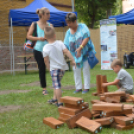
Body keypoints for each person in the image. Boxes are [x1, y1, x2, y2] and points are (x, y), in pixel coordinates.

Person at [43, 26, 76, 107]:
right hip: (62, 69)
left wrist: (48, 68)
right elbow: (66, 51)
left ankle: (60, 103)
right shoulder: (60, 43)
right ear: (54, 35)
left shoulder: (45, 48)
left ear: (45, 37)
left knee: (57, 85)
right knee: (56, 83)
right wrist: (73, 60)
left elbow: (46, 60)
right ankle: (55, 98)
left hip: (54, 69)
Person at [64, 13, 96, 94]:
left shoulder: (83, 27)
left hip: (85, 53)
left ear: (75, 21)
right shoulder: (68, 32)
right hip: (75, 55)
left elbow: (86, 37)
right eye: (67, 22)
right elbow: (66, 44)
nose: (68, 25)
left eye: (69, 23)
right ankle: (78, 88)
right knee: (76, 70)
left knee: (85, 69)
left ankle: (86, 87)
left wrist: (80, 47)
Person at [27, 7, 52, 95]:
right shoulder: (34, 24)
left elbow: (52, 37)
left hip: (49, 50)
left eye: (49, 13)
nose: (49, 15)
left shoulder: (50, 25)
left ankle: (56, 86)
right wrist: (39, 38)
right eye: (47, 13)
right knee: (42, 68)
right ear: (42, 15)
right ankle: (44, 89)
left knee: (52, 68)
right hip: (38, 50)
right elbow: (29, 36)